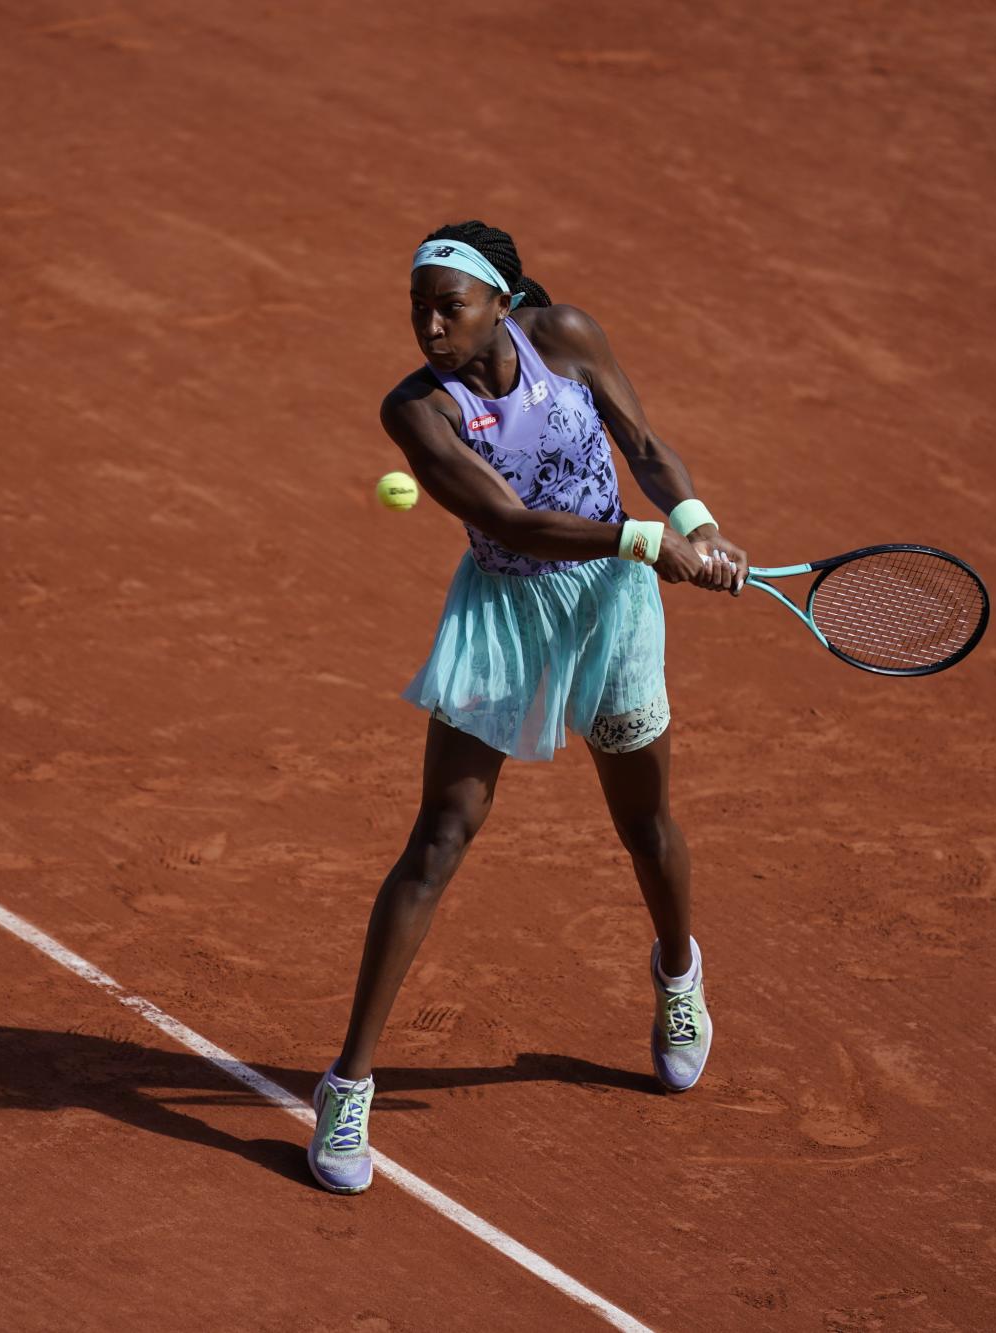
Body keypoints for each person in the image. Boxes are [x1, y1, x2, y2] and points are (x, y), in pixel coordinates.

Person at [308, 221, 749, 1194]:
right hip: (505, 617)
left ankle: (677, 975)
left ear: (501, 305)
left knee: (642, 820)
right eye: (416, 304)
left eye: (447, 305)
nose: (427, 323)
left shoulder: (569, 339)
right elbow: (506, 520)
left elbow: (642, 443)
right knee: (440, 834)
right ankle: (347, 1085)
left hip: (610, 614)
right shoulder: (415, 412)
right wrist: (642, 542)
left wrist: (697, 523)